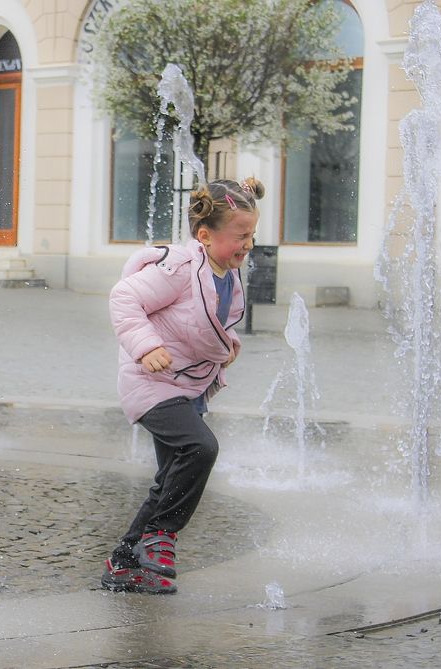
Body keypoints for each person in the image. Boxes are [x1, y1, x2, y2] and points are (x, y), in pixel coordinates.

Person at [101, 177, 264, 595]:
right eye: (240, 236)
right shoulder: (179, 268)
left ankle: (122, 564)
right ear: (205, 236)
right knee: (200, 448)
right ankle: (161, 535)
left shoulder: (225, 270)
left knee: (170, 476)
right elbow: (123, 299)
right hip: (151, 381)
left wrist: (229, 345)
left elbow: (202, 323)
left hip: (187, 385)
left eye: (252, 235)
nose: (247, 244)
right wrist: (145, 347)